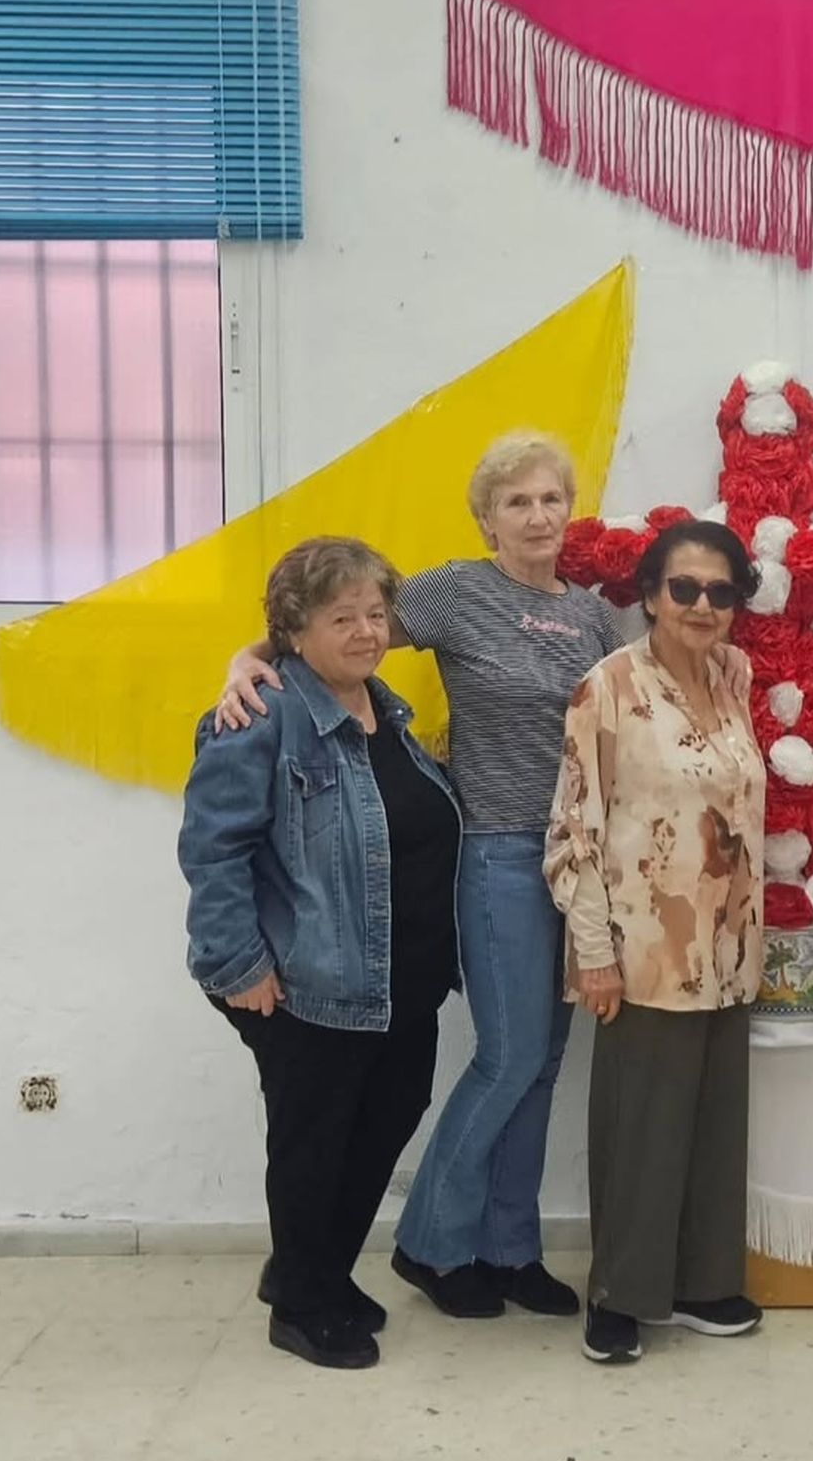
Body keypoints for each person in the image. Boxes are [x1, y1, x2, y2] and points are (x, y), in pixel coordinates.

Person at [217, 433, 620, 1320]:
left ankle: (511, 1247)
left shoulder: (595, 616)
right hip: (498, 854)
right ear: (486, 518)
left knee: (545, 1062)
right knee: (509, 1055)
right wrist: (247, 660)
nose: (538, 514)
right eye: (517, 501)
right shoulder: (454, 592)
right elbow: (333, 632)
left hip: (577, 861)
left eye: (551, 497)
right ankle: (433, 1244)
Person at [179, 538, 462, 1370]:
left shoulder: (388, 712)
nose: (367, 632)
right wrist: (239, 966)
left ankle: (315, 1271)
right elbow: (213, 850)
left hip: (397, 983)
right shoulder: (259, 715)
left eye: (376, 614)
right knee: (314, 1141)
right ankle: (303, 1305)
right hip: (308, 979)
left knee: (388, 1116)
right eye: (343, 618)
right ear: (294, 631)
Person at [545, 520, 766, 1366]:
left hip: (730, 945)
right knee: (642, 1126)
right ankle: (621, 1294)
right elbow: (575, 829)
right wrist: (593, 950)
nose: (702, 605)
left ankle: (705, 1283)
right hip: (643, 945)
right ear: (649, 596)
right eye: (685, 588)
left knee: (714, 1124)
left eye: (720, 590)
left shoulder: (734, 675)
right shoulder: (605, 687)